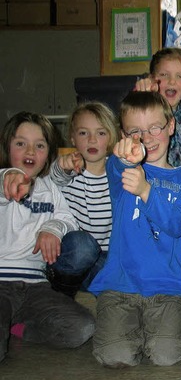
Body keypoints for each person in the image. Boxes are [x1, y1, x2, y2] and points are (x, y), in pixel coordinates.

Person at [88, 91, 181, 368]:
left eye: (155, 128)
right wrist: (127, 158)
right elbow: (116, 165)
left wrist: (147, 190)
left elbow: (178, 224)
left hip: (169, 287)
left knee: (166, 354)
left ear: (171, 126)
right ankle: (130, 329)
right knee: (114, 356)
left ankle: (151, 330)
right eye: (136, 132)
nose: (147, 138)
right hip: (119, 286)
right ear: (124, 135)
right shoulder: (121, 169)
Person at [0, 111, 95, 363]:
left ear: (49, 152)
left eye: (39, 145)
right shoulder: (3, 180)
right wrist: (6, 178)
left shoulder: (49, 188)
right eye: (21, 143)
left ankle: (19, 328)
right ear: (7, 147)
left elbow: (68, 219)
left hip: (36, 287)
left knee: (82, 329)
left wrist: (52, 228)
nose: (30, 151)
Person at [48, 102, 118, 297]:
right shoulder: (70, 169)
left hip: (102, 259)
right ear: (72, 138)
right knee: (84, 246)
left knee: (119, 274)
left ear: (111, 138)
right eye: (83, 133)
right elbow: (56, 176)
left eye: (101, 133)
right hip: (70, 256)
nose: (92, 140)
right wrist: (64, 167)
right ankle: (59, 294)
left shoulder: (117, 172)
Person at [135, 47, 181, 170]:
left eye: (180, 76)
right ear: (152, 79)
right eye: (164, 75)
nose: (172, 81)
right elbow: (131, 118)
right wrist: (141, 93)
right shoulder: (141, 116)